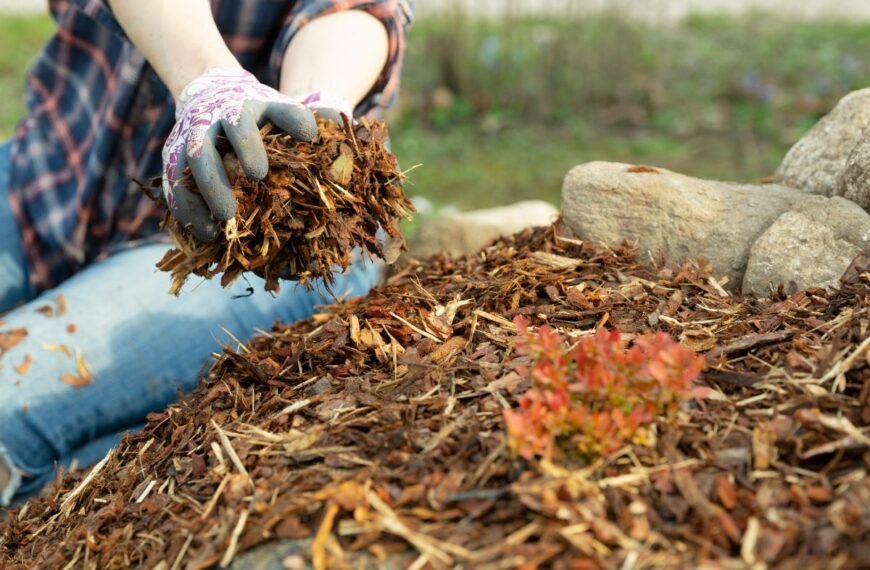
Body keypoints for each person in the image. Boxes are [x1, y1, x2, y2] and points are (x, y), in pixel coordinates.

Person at [0, 0, 413, 506]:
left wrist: (316, 103)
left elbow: (354, 10)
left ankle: (120, 457)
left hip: (240, 252)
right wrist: (208, 82)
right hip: (46, 178)